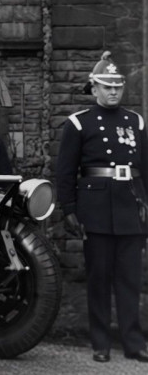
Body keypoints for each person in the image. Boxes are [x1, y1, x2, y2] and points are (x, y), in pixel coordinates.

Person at [56, 51, 148, 364]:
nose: (112, 91)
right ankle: (100, 343)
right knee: (98, 278)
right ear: (93, 88)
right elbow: (65, 171)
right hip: (95, 210)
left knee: (130, 279)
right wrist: (68, 208)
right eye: (106, 86)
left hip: (130, 207)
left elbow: (146, 170)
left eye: (117, 86)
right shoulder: (78, 124)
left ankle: (133, 343)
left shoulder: (135, 121)